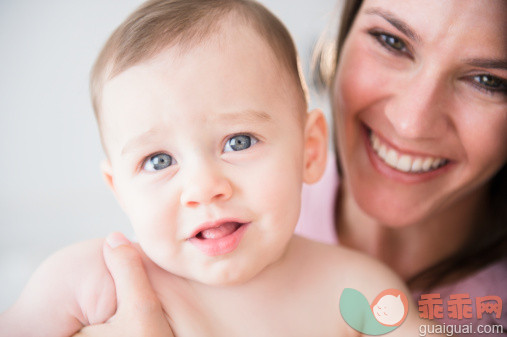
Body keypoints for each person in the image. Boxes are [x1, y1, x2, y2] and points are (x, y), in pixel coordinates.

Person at [71, 0, 507, 335]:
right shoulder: (95, 279)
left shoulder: (355, 287)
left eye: (238, 142)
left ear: (309, 151)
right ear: (118, 188)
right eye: (159, 160)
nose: (202, 188)